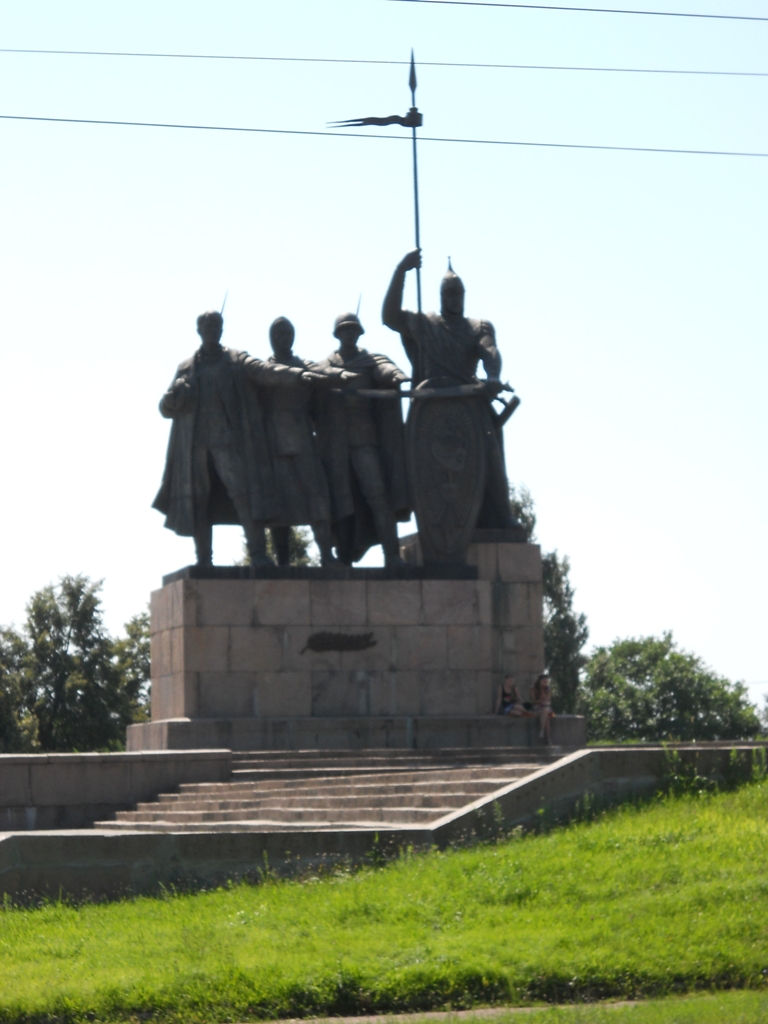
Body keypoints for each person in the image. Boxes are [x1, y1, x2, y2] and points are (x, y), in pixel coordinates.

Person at [153, 310, 326, 566]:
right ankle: (204, 559)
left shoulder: (235, 360)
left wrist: (297, 375)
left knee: (244, 496)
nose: (212, 330)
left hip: (228, 443)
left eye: (216, 326)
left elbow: (266, 371)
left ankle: (257, 554)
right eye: (207, 326)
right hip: (195, 446)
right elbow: (165, 409)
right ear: (199, 331)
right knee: (199, 501)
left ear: (222, 330)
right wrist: (171, 398)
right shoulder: (186, 368)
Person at [382, 249, 521, 530]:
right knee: (413, 458)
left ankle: (503, 515)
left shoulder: (478, 327)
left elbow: (490, 352)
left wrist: (493, 376)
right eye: (449, 293)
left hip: (468, 405)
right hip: (430, 408)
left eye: (458, 293)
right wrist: (401, 271)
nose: (454, 298)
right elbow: (390, 316)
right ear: (441, 296)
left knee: (490, 449)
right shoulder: (425, 324)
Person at [314, 312, 411, 566]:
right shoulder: (324, 366)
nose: (350, 333)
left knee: (378, 495)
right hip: (336, 444)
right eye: (345, 330)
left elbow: (385, 369)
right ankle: (343, 556)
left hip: (364, 439)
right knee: (341, 500)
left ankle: (391, 554)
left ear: (359, 333)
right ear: (337, 334)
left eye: (353, 329)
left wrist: (395, 376)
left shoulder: (370, 361)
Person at [259, 316, 356, 567]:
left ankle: (326, 555)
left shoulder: (305, 365)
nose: (283, 338)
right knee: (279, 504)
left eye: (287, 333)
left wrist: (340, 374)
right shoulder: (263, 370)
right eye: (278, 333)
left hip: (303, 440)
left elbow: (323, 371)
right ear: (271, 338)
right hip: (274, 444)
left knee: (317, 496)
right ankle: (282, 561)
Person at [531, 672, 555, 743]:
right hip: (537, 707)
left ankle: (542, 730)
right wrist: (539, 701)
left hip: (546, 707)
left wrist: (544, 701)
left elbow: (548, 701)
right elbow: (533, 701)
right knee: (546, 718)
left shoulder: (548, 689)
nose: (546, 683)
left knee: (545, 710)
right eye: (544, 681)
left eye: (547, 681)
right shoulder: (534, 689)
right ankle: (548, 738)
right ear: (540, 681)